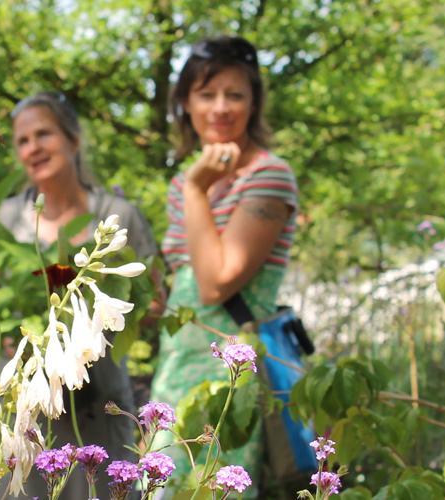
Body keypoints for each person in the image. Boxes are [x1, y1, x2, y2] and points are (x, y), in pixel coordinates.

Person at [146, 36, 299, 495]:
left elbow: (216, 285)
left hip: (228, 376)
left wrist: (197, 189)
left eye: (235, 94)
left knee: (213, 488)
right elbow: (190, 287)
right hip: (175, 368)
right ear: (185, 104)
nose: (220, 107)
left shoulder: (268, 176)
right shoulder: (184, 182)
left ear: (253, 104)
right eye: (205, 94)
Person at [0, 91, 162, 499]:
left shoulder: (117, 212)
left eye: (43, 134)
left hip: (98, 394)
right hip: (27, 398)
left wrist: (98, 322)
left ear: (73, 140)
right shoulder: (7, 217)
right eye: (22, 140)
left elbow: (155, 303)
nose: (32, 147)